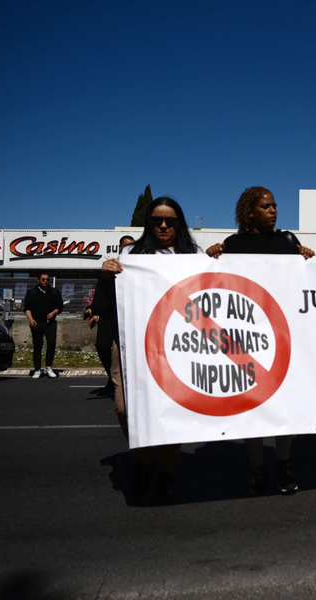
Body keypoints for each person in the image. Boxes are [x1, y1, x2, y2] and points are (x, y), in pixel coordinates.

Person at [206, 186, 314, 496]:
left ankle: (283, 463)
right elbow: (214, 282)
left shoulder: (287, 241)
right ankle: (257, 467)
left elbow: (306, 281)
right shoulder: (233, 245)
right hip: (247, 336)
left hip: (283, 333)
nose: (274, 210)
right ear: (250, 211)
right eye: (266, 206)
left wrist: (306, 257)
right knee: (252, 405)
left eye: (275, 206)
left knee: (285, 404)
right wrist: (211, 257)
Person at [102, 198, 204, 505]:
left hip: (176, 346)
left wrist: (215, 260)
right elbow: (111, 298)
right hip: (132, 343)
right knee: (125, 408)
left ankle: (166, 475)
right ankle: (144, 464)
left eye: (170, 221)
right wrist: (107, 275)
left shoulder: (193, 255)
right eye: (157, 220)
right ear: (149, 223)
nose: (163, 226)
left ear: (179, 223)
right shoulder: (131, 255)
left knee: (170, 412)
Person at [85, 235, 135, 395]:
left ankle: (119, 381)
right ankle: (112, 376)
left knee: (126, 351)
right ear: (120, 247)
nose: (129, 250)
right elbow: (100, 289)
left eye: (132, 247)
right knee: (102, 346)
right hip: (109, 315)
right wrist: (93, 309)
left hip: (128, 316)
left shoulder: (138, 266)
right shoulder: (110, 265)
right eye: (126, 246)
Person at [24, 271, 63, 379]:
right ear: (38, 280)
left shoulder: (54, 292)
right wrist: (31, 319)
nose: (45, 281)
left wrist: (53, 313)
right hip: (36, 323)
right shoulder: (32, 293)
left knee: (51, 343)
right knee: (37, 345)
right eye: (43, 279)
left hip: (50, 323)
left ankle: (48, 367)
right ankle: (37, 369)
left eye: (47, 279)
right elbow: (27, 308)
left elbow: (60, 307)